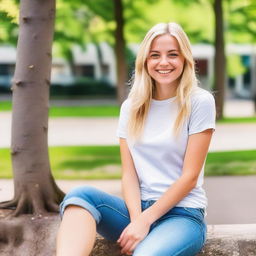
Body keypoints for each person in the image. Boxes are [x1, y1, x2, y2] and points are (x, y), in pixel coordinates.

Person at [56, 22, 216, 256]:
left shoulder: (199, 102)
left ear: (185, 59)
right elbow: (129, 174)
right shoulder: (131, 107)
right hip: (136, 211)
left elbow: (190, 177)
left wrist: (145, 222)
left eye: (173, 54)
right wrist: (136, 220)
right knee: (80, 196)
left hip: (181, 215)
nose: (163, 62)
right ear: (145, 61)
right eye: (155, 55)